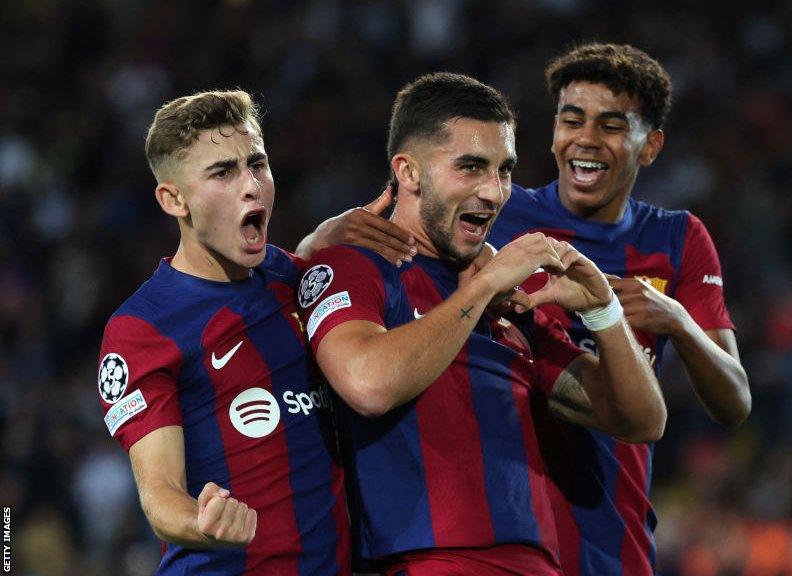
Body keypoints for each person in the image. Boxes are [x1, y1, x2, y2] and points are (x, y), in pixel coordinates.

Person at [297, 72, 666, 576]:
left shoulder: (510, 304)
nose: (494, 193)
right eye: (470, 167)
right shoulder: (356, 269)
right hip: (424, 561)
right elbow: (368, 383)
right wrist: (483, 287)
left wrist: (605, 312)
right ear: (408, 172)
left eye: (504, 170)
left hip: (539, 564)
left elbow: (641, 420)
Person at [96, 89, 414, 575]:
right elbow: (159, 495)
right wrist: (202, 521)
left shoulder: (294, 279)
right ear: (173, 198)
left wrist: (317, 248)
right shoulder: (143, 328)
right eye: (223, 172)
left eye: (257, 164)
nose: (251, 185)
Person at [485, 43, 752, 575]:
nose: (585, 139)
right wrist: (332, 233)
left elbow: (734, 401)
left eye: (610, 125)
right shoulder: (498, 208)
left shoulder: (676, 239)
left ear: (649, 146)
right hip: (499, 521)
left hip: (609, 533)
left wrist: (676, 319)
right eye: (571, 120)